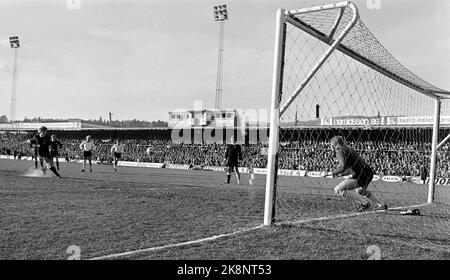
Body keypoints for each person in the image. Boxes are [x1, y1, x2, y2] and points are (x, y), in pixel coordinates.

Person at [323, 136, 386, 212]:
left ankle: (364, 203)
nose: (330, 146)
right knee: (360, 191)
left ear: (335, 144)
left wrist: (329, 173)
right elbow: (350, 168)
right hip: (368, 172)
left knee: (338, 189)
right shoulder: (349, 150)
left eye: (331, 144)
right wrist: (340, 174)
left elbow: (343, 166)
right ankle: (381, 204)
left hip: (360, 174)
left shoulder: (340, 151)